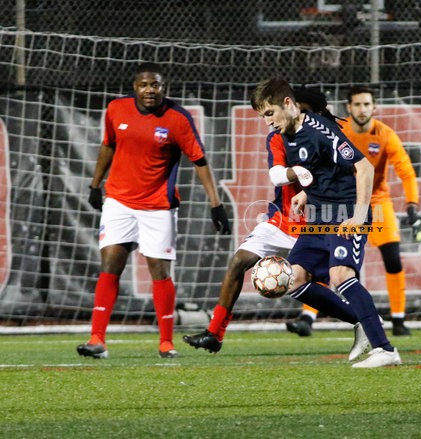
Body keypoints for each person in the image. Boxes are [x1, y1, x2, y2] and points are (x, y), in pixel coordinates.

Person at [182, 87, 370, 361]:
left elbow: (353, 175)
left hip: (317, 223)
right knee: (239, 261)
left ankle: (361, 322)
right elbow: (278, 174)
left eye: (304, 111)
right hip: (281, 219)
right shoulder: (279, 137)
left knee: (334, 278)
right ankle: (215, 332)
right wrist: (298, 173)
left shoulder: (328, 137)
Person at [76, 62, 231, 359]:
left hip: (158, 205)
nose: (150, 90)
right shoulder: (116, 109)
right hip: (119, 201)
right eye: (144, 85)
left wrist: (216, 204)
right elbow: (108, 145)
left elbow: (199, 160)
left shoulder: (178, 118)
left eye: (156, 85)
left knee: (159, 271)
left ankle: (166, 342)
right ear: (135, 87)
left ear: (164, 88)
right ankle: (97, 339)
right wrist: (95, 184)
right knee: (110, 263)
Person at [251, 77, 401, 368]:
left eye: (270, 113)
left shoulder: (320, 130)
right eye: (263, 116)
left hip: (345, 212)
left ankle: (385, 349)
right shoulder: (287, 134)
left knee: (341, 275)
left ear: (287, 103)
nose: (268, 121)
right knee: (293, 279)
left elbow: (364, 168)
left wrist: (359, 217)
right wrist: (307, 193)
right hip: (318, 215)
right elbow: (324, 171)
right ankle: (363, 321)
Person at [287, 85, 421, 337]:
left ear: (374, 107)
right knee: (325, 259)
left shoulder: (385, 135)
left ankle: (398, 318)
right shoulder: (338, 130)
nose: (362, 109)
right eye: (357, 104)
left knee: (392, 257)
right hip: (340, 200)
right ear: (349, 107)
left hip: (377, 201)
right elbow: (319, 166)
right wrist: (308, 192)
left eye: (366, 104)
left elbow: (405, 171)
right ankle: (307, 316)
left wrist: (412, 203)